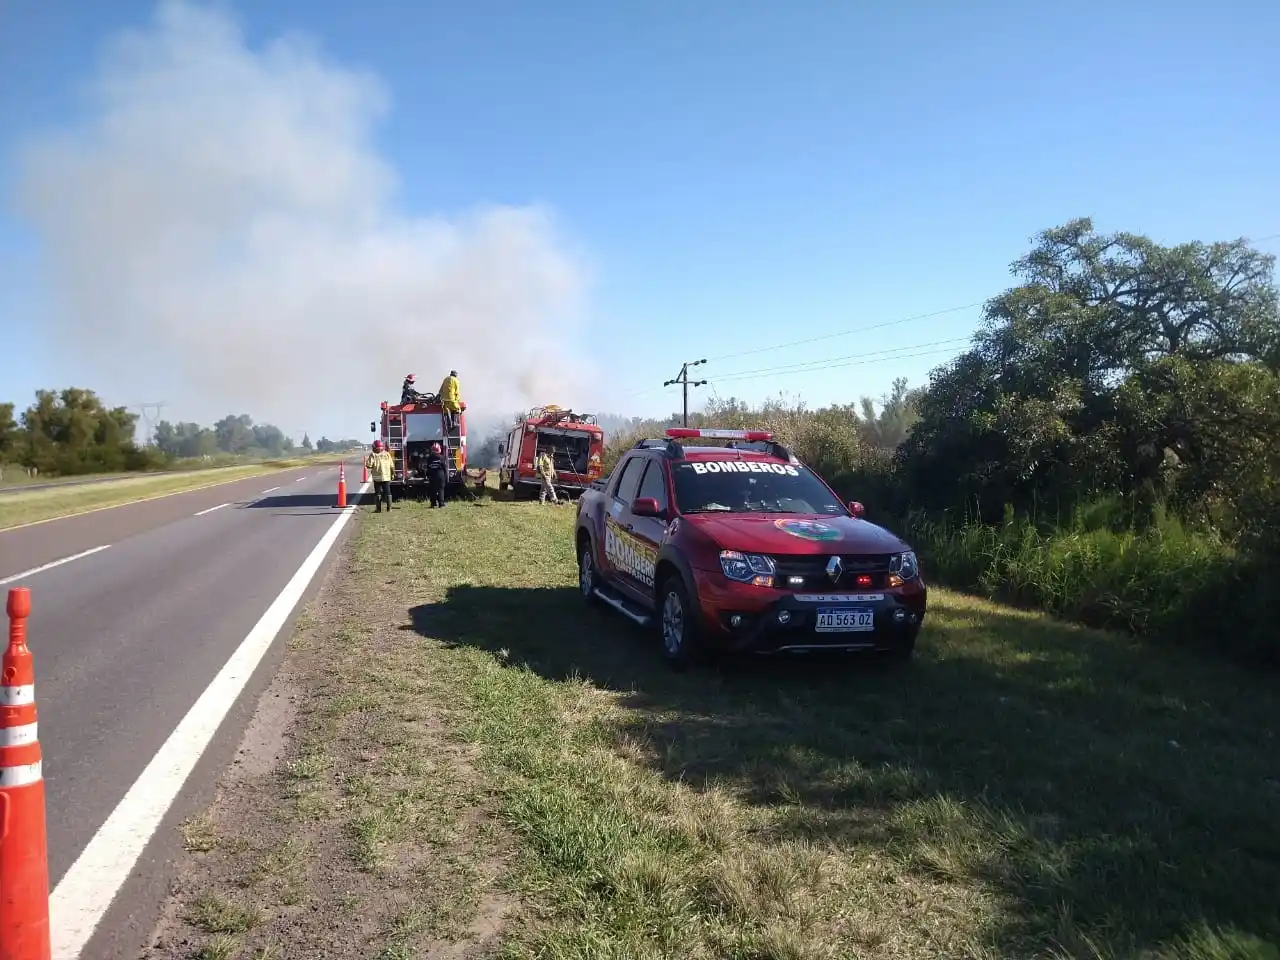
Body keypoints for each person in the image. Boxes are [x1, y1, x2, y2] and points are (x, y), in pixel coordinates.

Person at [366, 440, 395, 512]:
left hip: (377, 478)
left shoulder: (373, 455)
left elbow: (369, 465)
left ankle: (378, 509)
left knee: (378, 493)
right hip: (386, 477)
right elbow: (392, 466)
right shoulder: (387, 454)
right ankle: (389, 509)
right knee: (388, 493)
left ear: (375, 447)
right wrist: (393, 474)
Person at [424, 441, 449, 508]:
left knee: (433, 489)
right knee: (441, 489)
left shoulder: (429, 458)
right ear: (439, 449)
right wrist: (446, 477)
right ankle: (441, 504)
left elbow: (428, 467)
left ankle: (433, 504)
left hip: (432, 475)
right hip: (440, 475)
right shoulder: (442, 457)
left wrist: (427, 475)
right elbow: (444, 467)